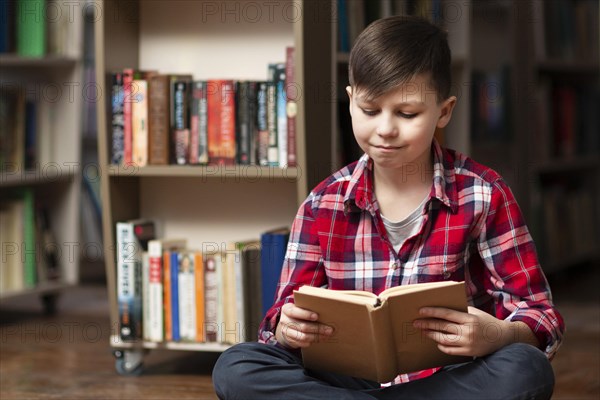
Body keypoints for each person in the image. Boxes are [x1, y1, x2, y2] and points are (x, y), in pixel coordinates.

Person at [212, 15, 564, 400]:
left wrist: (498, 333)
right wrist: (287, 328)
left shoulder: (483, 194)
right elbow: (280, 321)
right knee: (237, 368)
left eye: (407, 114)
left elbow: (539, 315)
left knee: (526, 370)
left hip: (448, 380)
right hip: (344, 379)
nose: (385, 129)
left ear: (444, 111)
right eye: (369, 110)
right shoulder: (321, 203)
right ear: (350, 102)